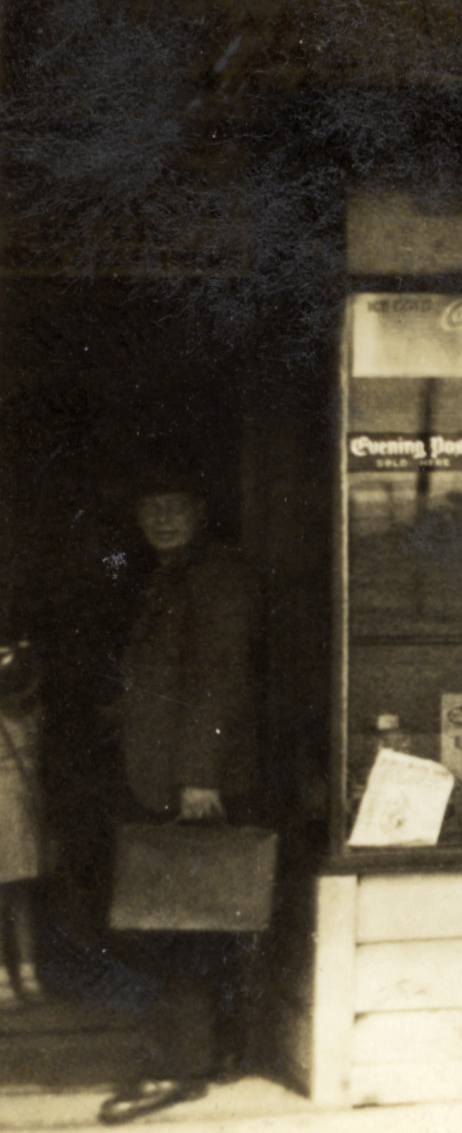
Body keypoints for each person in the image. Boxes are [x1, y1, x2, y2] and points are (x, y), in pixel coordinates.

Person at [97, 476, 263, 1124]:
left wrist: (199, 774)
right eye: (150, 505)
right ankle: (202, 1052)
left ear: (201, 510)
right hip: (165, 773)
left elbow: (219, 677)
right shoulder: (169, 572)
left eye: (175, 506)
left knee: (192, 920)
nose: (161, 517)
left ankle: (190, 1062)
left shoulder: (216, 575)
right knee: (182, 918)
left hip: (196, 782)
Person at [0, 633, 48, 1009]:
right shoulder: (34, 715)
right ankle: (29, 974)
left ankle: (2, 978)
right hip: (24, 809)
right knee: (21, 898)